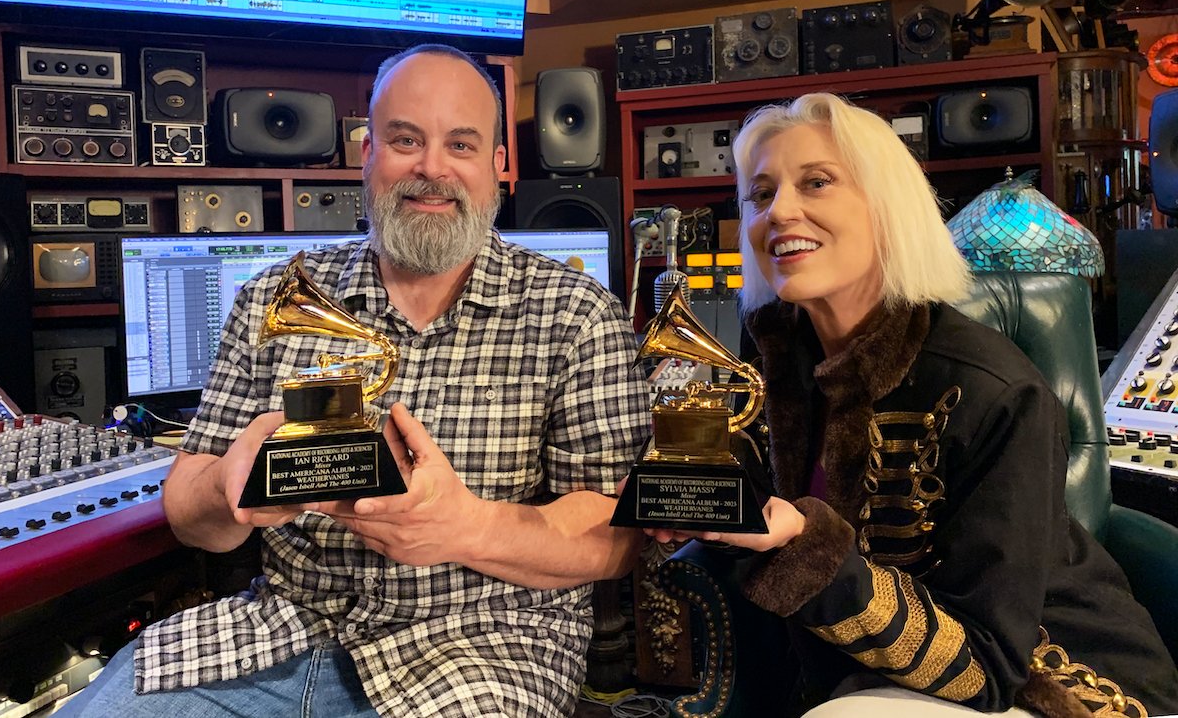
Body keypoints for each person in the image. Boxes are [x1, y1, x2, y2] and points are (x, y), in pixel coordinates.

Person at [59, 44, 652, 717]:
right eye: (406, 140)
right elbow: (188, 510)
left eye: (460, 144)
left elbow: (617, 536)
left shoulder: (576, 312)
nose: (432, 168)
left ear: (497, 167)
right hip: (276, 632)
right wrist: (230, 488)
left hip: (484, 646)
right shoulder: (269, 297)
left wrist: (468, 528)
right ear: (368, 155)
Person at [648, 93, 1178, 718]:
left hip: (1055, 681)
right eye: (760, 195)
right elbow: (760, 517)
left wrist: (810, 551)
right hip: (873, 678)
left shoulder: (996, 390)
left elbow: (989, 664)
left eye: (816, 182)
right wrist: (697, 506)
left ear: (888, 210)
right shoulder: (780, 364)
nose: (780, 211)